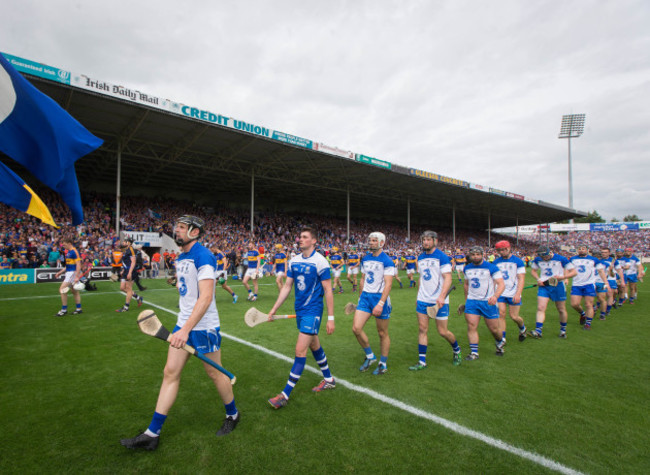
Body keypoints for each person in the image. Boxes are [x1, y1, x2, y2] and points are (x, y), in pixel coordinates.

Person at [120, 215, 240, 450]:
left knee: (215, 374)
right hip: (183, 322)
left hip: (203, 327)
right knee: (170, 373)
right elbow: (191, 289)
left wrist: (185, 330)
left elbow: (206, 297)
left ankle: (233, 415)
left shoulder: (204, 255)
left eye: (182, 228)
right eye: (176, 227)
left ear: (195, 232)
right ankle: (152, 434)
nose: (177, 231)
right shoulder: (182, 256)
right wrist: (179, 281)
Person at [267, 227, 336, 409]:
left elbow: (328, 290)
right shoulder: (294, 260)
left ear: (314, 241)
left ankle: (284, 395)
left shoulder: (320, 262)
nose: (300, 239)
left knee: (300, 351)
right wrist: (274, 308)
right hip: (300, 310)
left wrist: (330, 318)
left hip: (313, 311)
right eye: (300, 237)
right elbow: (287, 286)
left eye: (305, 237)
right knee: (314, 345)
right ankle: (329, 379)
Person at [409, 230, 462, 370]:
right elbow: (421, 278)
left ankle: (457, 350)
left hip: (439, 301)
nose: (425, 242)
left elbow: (448, 278)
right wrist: (418, 296)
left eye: (428, 239)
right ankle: (422, 362)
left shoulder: (442, 257)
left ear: (435, 241)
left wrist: (442, 296)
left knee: (443, 332)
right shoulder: (420, 258)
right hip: (422, 299)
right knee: (422, 329)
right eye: (423, 240)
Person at [352, 232, 395, 375]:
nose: (371, 242)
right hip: (365, 298)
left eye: (374, 240)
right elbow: (362, 279)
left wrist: (381, 303)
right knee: (356, 329)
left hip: (379, 299)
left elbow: (388, 284)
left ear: (381, 243)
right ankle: (370, 357)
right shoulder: (365, 259)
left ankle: (383, 363)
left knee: (382, 333)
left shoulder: (387, 261)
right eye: (370, 240)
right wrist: (360, 298)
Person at [461, 246, 506, 360]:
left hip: (488, 302)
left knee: (494, 329)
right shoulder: (467, 268)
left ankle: (499, 342)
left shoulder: (492, 268)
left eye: (478, 254)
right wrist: (466, 300)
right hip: (472, 302)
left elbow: (501, 284)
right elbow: (466, 284)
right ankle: (474, 353)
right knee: (471, 326)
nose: (475, 257)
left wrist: (495, 296)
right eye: (473, 255)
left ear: (482, 255)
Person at [528, 247, 577, 339]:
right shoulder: (538, 259)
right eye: (542, 256)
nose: (544, 258)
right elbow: (533, 271)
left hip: (558, 286)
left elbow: (574, 272)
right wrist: (538, 279)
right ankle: (538, 331)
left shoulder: (561, 259)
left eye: (545, 256)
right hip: (544, 286)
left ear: (550, 252)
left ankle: (563, 330)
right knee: (540, 307)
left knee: (561, 309)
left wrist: (562, 277)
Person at [568, 243, 610, 330]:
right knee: (574, 304)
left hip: (589, 285)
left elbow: (601, 271)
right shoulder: (572, 259)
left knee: (588, 304)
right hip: (576, 284)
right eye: (579, 248)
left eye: (583, 248)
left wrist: (606, 282)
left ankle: (588, 324)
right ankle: (583, 314)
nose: (581, 250)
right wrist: (566, 278)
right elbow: (567, 269)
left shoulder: (594, 259)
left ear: (587, 250)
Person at [493, 240, 528, 342]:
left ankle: (522, 328)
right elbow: (494, 279)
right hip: (500, 293)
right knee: (501, 314)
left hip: (513, 293)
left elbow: (521, 279)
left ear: (508, 248)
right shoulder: (496, 262)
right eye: (499, 250)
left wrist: (518, 293)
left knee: (514, 316)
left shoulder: (518, 261)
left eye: (502, 250)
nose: (501, 252)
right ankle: (502, 338)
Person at [54, 238, 83, 316]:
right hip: (69, 273)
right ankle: (78, 309)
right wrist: (60, 273)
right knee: (74, 291)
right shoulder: (68, 252)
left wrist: (77, 276)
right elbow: (68, 266)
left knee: (62, 290)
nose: (63, 246)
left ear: (69, 243)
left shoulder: (74, 251)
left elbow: (78, 264)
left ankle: (64, 310)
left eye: (64, 245)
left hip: (72, 273)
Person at [115, 237, 144, 313]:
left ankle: (126, 307)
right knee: (122, 288)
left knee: (129, 289)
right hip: (126, 271)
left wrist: (130, 272)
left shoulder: (131, 250)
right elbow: (126, 262)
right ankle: (138, 297)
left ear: (129, 243)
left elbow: (133, 262)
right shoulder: (125, 250)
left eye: (125, 241)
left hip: (131, 271)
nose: (123, 243)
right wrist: (123, 270)